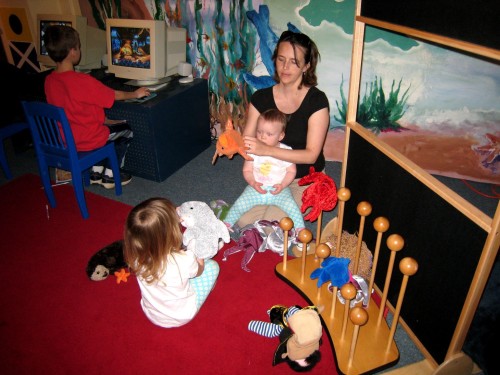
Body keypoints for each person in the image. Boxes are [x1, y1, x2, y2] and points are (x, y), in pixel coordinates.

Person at [239, 30, 330, 229]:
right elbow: (247, 142)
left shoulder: (317, 101)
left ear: (306, 66)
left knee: (268, 226)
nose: (285, 67)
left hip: (304, 177)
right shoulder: (261, 98)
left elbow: (311, 155)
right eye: (281, 59)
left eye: (294, 62)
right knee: (242, 221)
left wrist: (267, 150)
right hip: (269, 173)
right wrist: (238, 147)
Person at [43, 24, 151, 189]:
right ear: (73, 52)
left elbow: (74, 107)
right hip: (89, 139)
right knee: (126, 130)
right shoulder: (82, 81)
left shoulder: (50, 80)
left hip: (67, 140)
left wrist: (104, 118)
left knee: (108, 124)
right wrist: (135, 94)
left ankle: (95, 172)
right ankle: (111, 174)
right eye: (78, 47)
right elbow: (113, 95)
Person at [123, 198, 220, 328]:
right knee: (213, 267)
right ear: (171, 232)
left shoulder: (135, 257)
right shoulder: (183, 259)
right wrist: (198, 254)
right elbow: (199, 270)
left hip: (151, 312)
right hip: (181, 315)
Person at [225, 108, 305, 230]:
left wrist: (283, 185)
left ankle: (300, 230)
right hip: (257, 189)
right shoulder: (252, 149)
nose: (262, 137)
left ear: (281, 135)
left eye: (269, 134)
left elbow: (291, 171)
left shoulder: (286, 151)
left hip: (279, 190)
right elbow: (247, 170)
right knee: (239, 205)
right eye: (259, 132)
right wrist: (253, 182)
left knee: (292, 208)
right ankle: (226, 224)